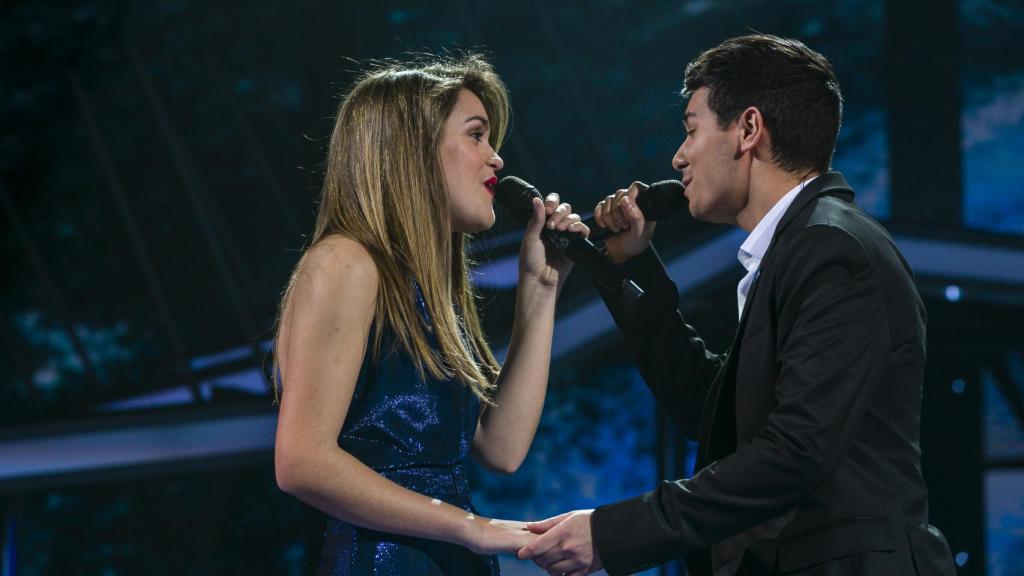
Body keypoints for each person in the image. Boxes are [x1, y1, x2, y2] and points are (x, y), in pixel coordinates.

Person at [517, 34, 956, 576]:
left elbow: (794, 452)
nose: (678, 157)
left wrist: (611, 533)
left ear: (748, 129)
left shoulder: (832, 251)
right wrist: (631, 263)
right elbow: (713, 411)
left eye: (691, 129)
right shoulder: (800, 248)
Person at [272, 53, 588, 575]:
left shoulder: (425, 287)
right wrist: (472, 526)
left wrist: (541, 287)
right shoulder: (344, 262)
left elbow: (503, 449)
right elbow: (301, 461)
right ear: (411, 150)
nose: (496, 159)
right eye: (476, 135)